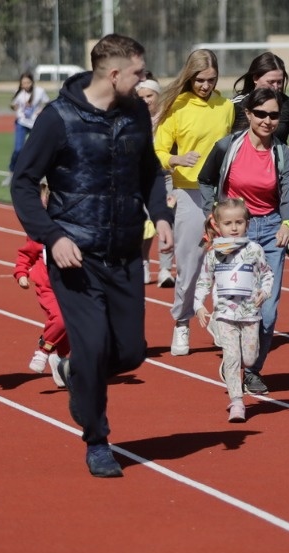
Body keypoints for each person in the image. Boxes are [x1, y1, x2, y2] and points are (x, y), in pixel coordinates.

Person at [11, 33, 174, 478]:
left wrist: (159, 215)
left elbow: (150, 171)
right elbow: (23, 184)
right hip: (74, 259)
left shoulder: (136, 112)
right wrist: (51, 236)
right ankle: (97, 440)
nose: (145, 81)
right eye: (139, 72)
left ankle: (74, 369)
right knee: (94, 345)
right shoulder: (58, 118)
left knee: (131, 353)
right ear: (115, 73)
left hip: (123, 255)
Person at [198, 87, 289, 395]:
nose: (268, 121)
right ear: (248, 114)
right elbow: (205, 179)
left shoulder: (282, 154)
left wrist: (287, 223)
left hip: (270, 230)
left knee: (266, 309)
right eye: (261, 114)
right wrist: (212, 215)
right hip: (233, 231)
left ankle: (252, 369)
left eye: (274, 115)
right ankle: (234, 360)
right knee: (233, 302)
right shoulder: (227, 146)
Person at [154, 49, 235, 356]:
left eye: (211, 80)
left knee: (227, 262)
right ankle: (182, 322)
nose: (205, 85)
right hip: (188, 192)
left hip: (222, 194)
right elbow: (158, 150)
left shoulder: (225, 107)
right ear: (190, 77)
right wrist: (177, 158)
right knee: (190, 263)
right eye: (200, 80)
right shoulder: (176, 106)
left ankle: (224, 321)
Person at [194, 199, 274, 422]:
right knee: (232, 357)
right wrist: (199, 305)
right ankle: (237, 401)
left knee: (249, 359)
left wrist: (264, 292)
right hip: (225, 315)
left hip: (250, 314)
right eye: (228, 223)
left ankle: (239, 366)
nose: (234, 227)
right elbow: (203, 281)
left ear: (247, 224)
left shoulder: (254, 250)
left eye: (239, 222)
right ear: (218, 226)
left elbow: (267, 274)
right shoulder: (213, 253)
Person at [13, 180, 68, 388]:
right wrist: (21, 274)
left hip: (72, 285)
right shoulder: (40, 229)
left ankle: (61, 360)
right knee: (61, 320)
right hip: (48, 286)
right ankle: (43, 350)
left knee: (72, 326)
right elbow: (26, 253)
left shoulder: (75, 226)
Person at [137, 74, 176, 288]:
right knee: (144, 224)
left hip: (167, 177)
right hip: (141, 179)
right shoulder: (133, 118)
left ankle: (165, 270)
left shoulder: (168, 117)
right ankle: (143, 263)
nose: (145, 100)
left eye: (149, 96)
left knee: (165, 221)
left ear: (158, 96)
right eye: (141, 96)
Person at [230, 52, 289, 147]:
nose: (276, 87)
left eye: (279, 82)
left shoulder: (288, 104)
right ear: (255, 78)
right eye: (271, 82)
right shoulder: (237, 104)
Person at [3, 72, 49, 186]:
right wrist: (14, 107)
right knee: (18, 150)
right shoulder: (19, 92)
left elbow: (47, 102)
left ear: (32, 82)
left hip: (35, 124)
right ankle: (11, 173)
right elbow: (13, 105)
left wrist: (41, 109)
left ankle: (39, 175)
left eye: (27, 82)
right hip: (21, 123)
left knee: (37, 150)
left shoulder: (40, 91)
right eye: (23, 83)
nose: (25, 85)